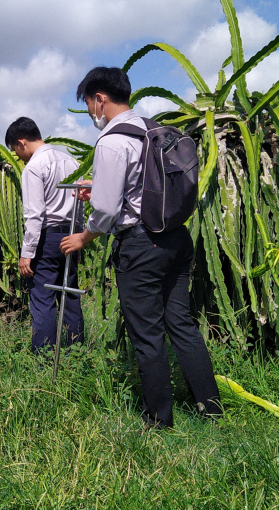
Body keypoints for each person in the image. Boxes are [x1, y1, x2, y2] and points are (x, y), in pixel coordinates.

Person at [60, 66, 221, 428]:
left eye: (88, 104)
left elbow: (105, 209)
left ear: (99, 99)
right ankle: (211, 408)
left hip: (141, 245)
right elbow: (139, 183)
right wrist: (98, 182)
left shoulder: (112, 140)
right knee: (181, 325)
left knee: (147, 334)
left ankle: (159, 421)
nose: (90, 113)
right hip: (176, 239)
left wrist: (85, 236)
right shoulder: (153, 130)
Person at [5, 117, 84, 354]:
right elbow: (80, 205)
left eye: (15, 150)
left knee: (43, 300)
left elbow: (35, 215)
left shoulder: (34, 168)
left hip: (46, 239)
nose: (18, 156)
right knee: (70, 296)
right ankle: (75, 352)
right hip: (70, 235)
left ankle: (44, 357)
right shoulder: (71, 161)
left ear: (21, 142)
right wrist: (79, 238)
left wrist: (26, 253)